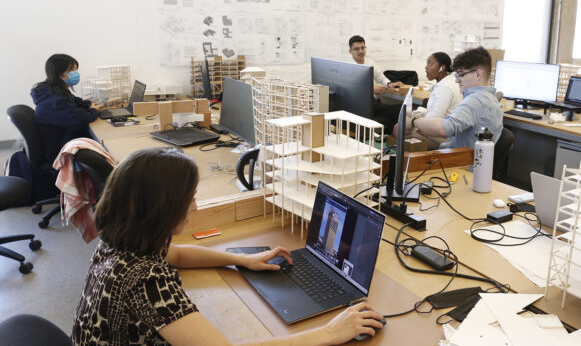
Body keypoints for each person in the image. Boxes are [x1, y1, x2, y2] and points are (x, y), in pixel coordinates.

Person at [72, 147, 384, 346]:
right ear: (161, 209)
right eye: (190, 199)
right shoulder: (147, 280)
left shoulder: (121, 240)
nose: (194, 206)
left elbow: (176, 254)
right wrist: (328, 333)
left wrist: (243, 261)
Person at [406, 47, 502, 149]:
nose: (456, 80)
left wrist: (414, 120)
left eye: (461, 74)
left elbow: (444, 129)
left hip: (457, 161)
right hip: (460, 153)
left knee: (404, 136)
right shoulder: (490, 98)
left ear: (478, 74)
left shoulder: (475, 100)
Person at [31, 54, 101, 163]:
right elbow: (80, 119)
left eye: (76, 69)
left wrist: (88, 104)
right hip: (62, 150)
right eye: (72, 69)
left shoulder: (55, 90)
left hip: (65, 140)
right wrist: (94, 110)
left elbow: (75, 101)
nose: (76, 73)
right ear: (60, 74)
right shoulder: (53, 100)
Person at [348, 35, 402, 133]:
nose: (360, 51)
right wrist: (371, 90)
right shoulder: (348, 67)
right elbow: (352, 90)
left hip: (373, 103)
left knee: (401, 109)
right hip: (359, 105)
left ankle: (389, 135)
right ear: (350, 51)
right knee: (399, 110)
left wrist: (389, 84)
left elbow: (380, 77)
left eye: (362, 48)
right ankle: (388, 135)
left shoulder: (370, 62)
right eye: (356, 49)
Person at [414, 52, 461, 119]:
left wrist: (413, 121)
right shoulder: (447, 81)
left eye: (430, 64)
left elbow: (435, 118)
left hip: (443, 127)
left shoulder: (445, 87)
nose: (426, 67)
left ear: (442, 68)